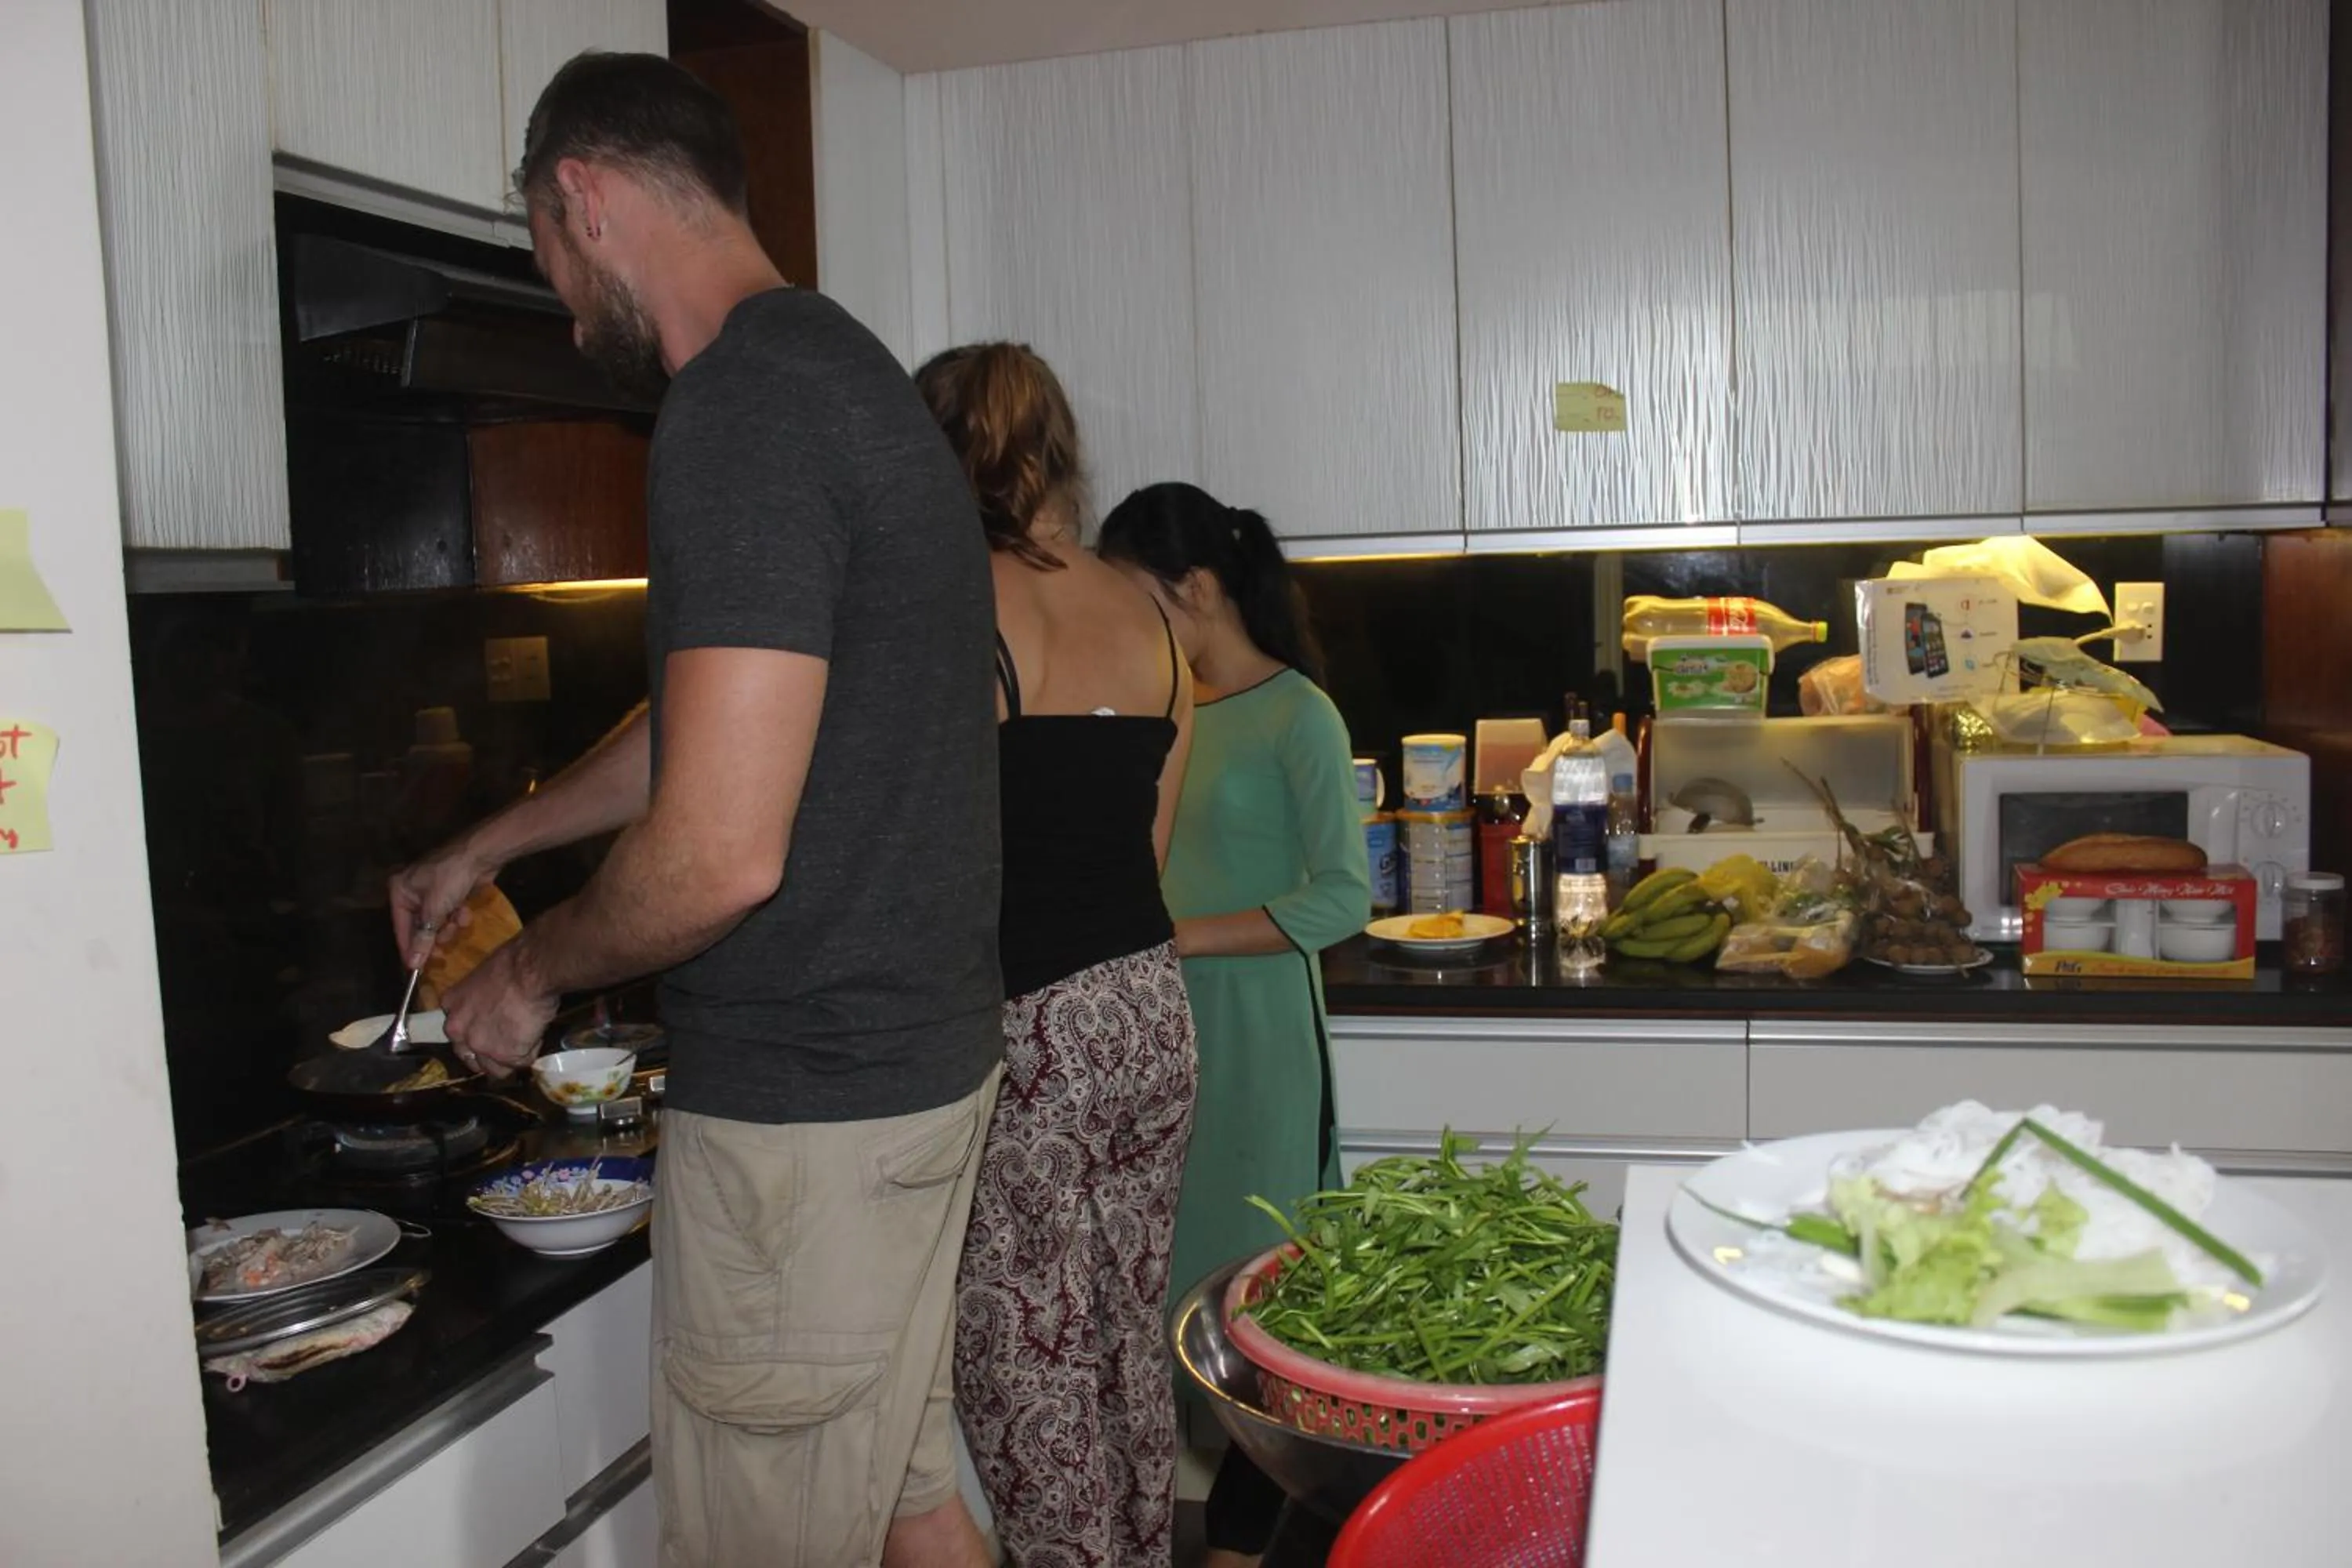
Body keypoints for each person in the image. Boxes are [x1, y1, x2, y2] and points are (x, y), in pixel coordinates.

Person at [389, 54, 1003, 1568]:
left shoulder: (734, 407)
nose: (551, 290)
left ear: (583, 196)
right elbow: (715, 718)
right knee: (913, 1504)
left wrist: (525, 975)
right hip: (904, 1083)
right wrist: (495, 843)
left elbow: (721, 854)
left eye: (538, 241)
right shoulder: (842, 372)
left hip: (809, 1130)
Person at [913, 343, 1200, 1567]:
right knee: (1127, 1335)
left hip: (1032, 1030)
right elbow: (1155, 840)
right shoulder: (1147, 611)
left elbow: (934, 860)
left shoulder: (951, 603)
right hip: (1149, 1007)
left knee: (1025, 1364)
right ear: (1061, 457)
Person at [1097, 483, 1370, 1567]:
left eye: (1140, 601)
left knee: (1262, 1311)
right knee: (1162, 1300)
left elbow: (1341, 899)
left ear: (1197, 588)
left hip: (1259, 1042)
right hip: (1157, 1033)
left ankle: (1251, 1546)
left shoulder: (1300, 713)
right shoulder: (1153, 707)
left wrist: (1180, 937)